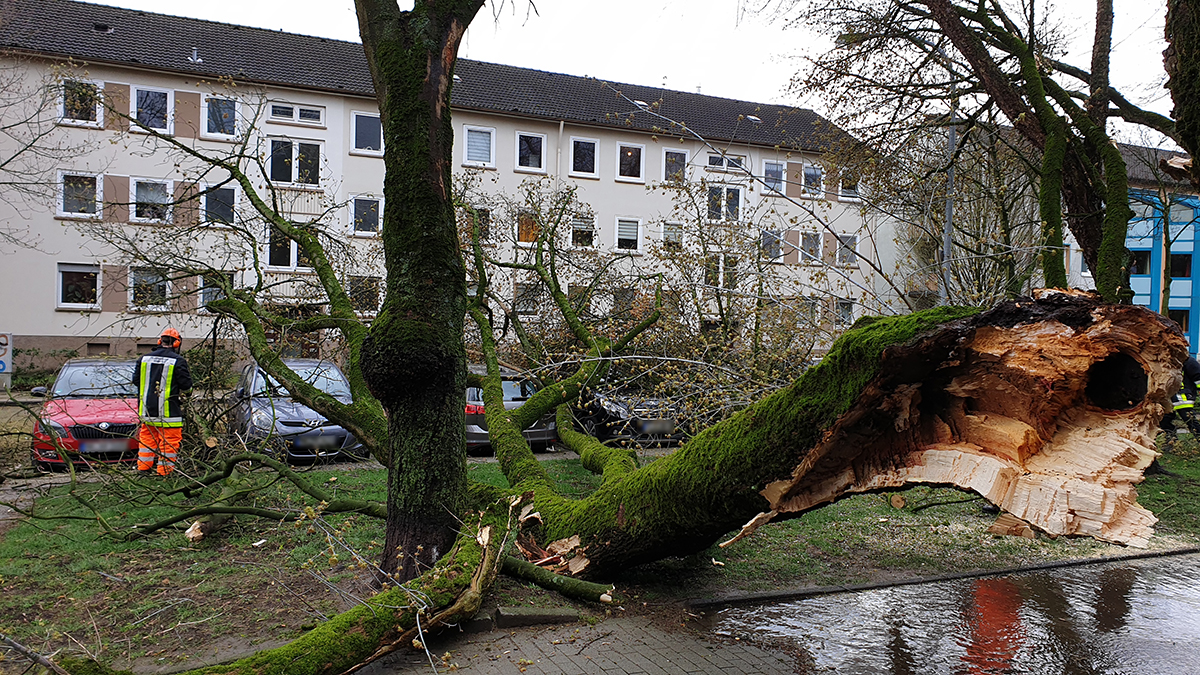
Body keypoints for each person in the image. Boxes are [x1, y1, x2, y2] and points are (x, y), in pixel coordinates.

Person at [132, 327, 192, 476]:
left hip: (147, 410)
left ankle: (143, 469)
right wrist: (187, 395)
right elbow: (186, 386)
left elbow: (135, 381)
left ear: (160, 341)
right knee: (169, 442)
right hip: (169, 411)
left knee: (147, 440)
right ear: (177, 344)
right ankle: (164, 473)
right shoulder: (178, 361)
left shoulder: (144, 359)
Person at [1159, 355, 1200, 450]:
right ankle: (1171, 441)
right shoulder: (1162, 360)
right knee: (1164, 421)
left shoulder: (1187, 360)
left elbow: (1198, 376)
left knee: (1191, 422)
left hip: (1183, 398)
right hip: (1168, 399)